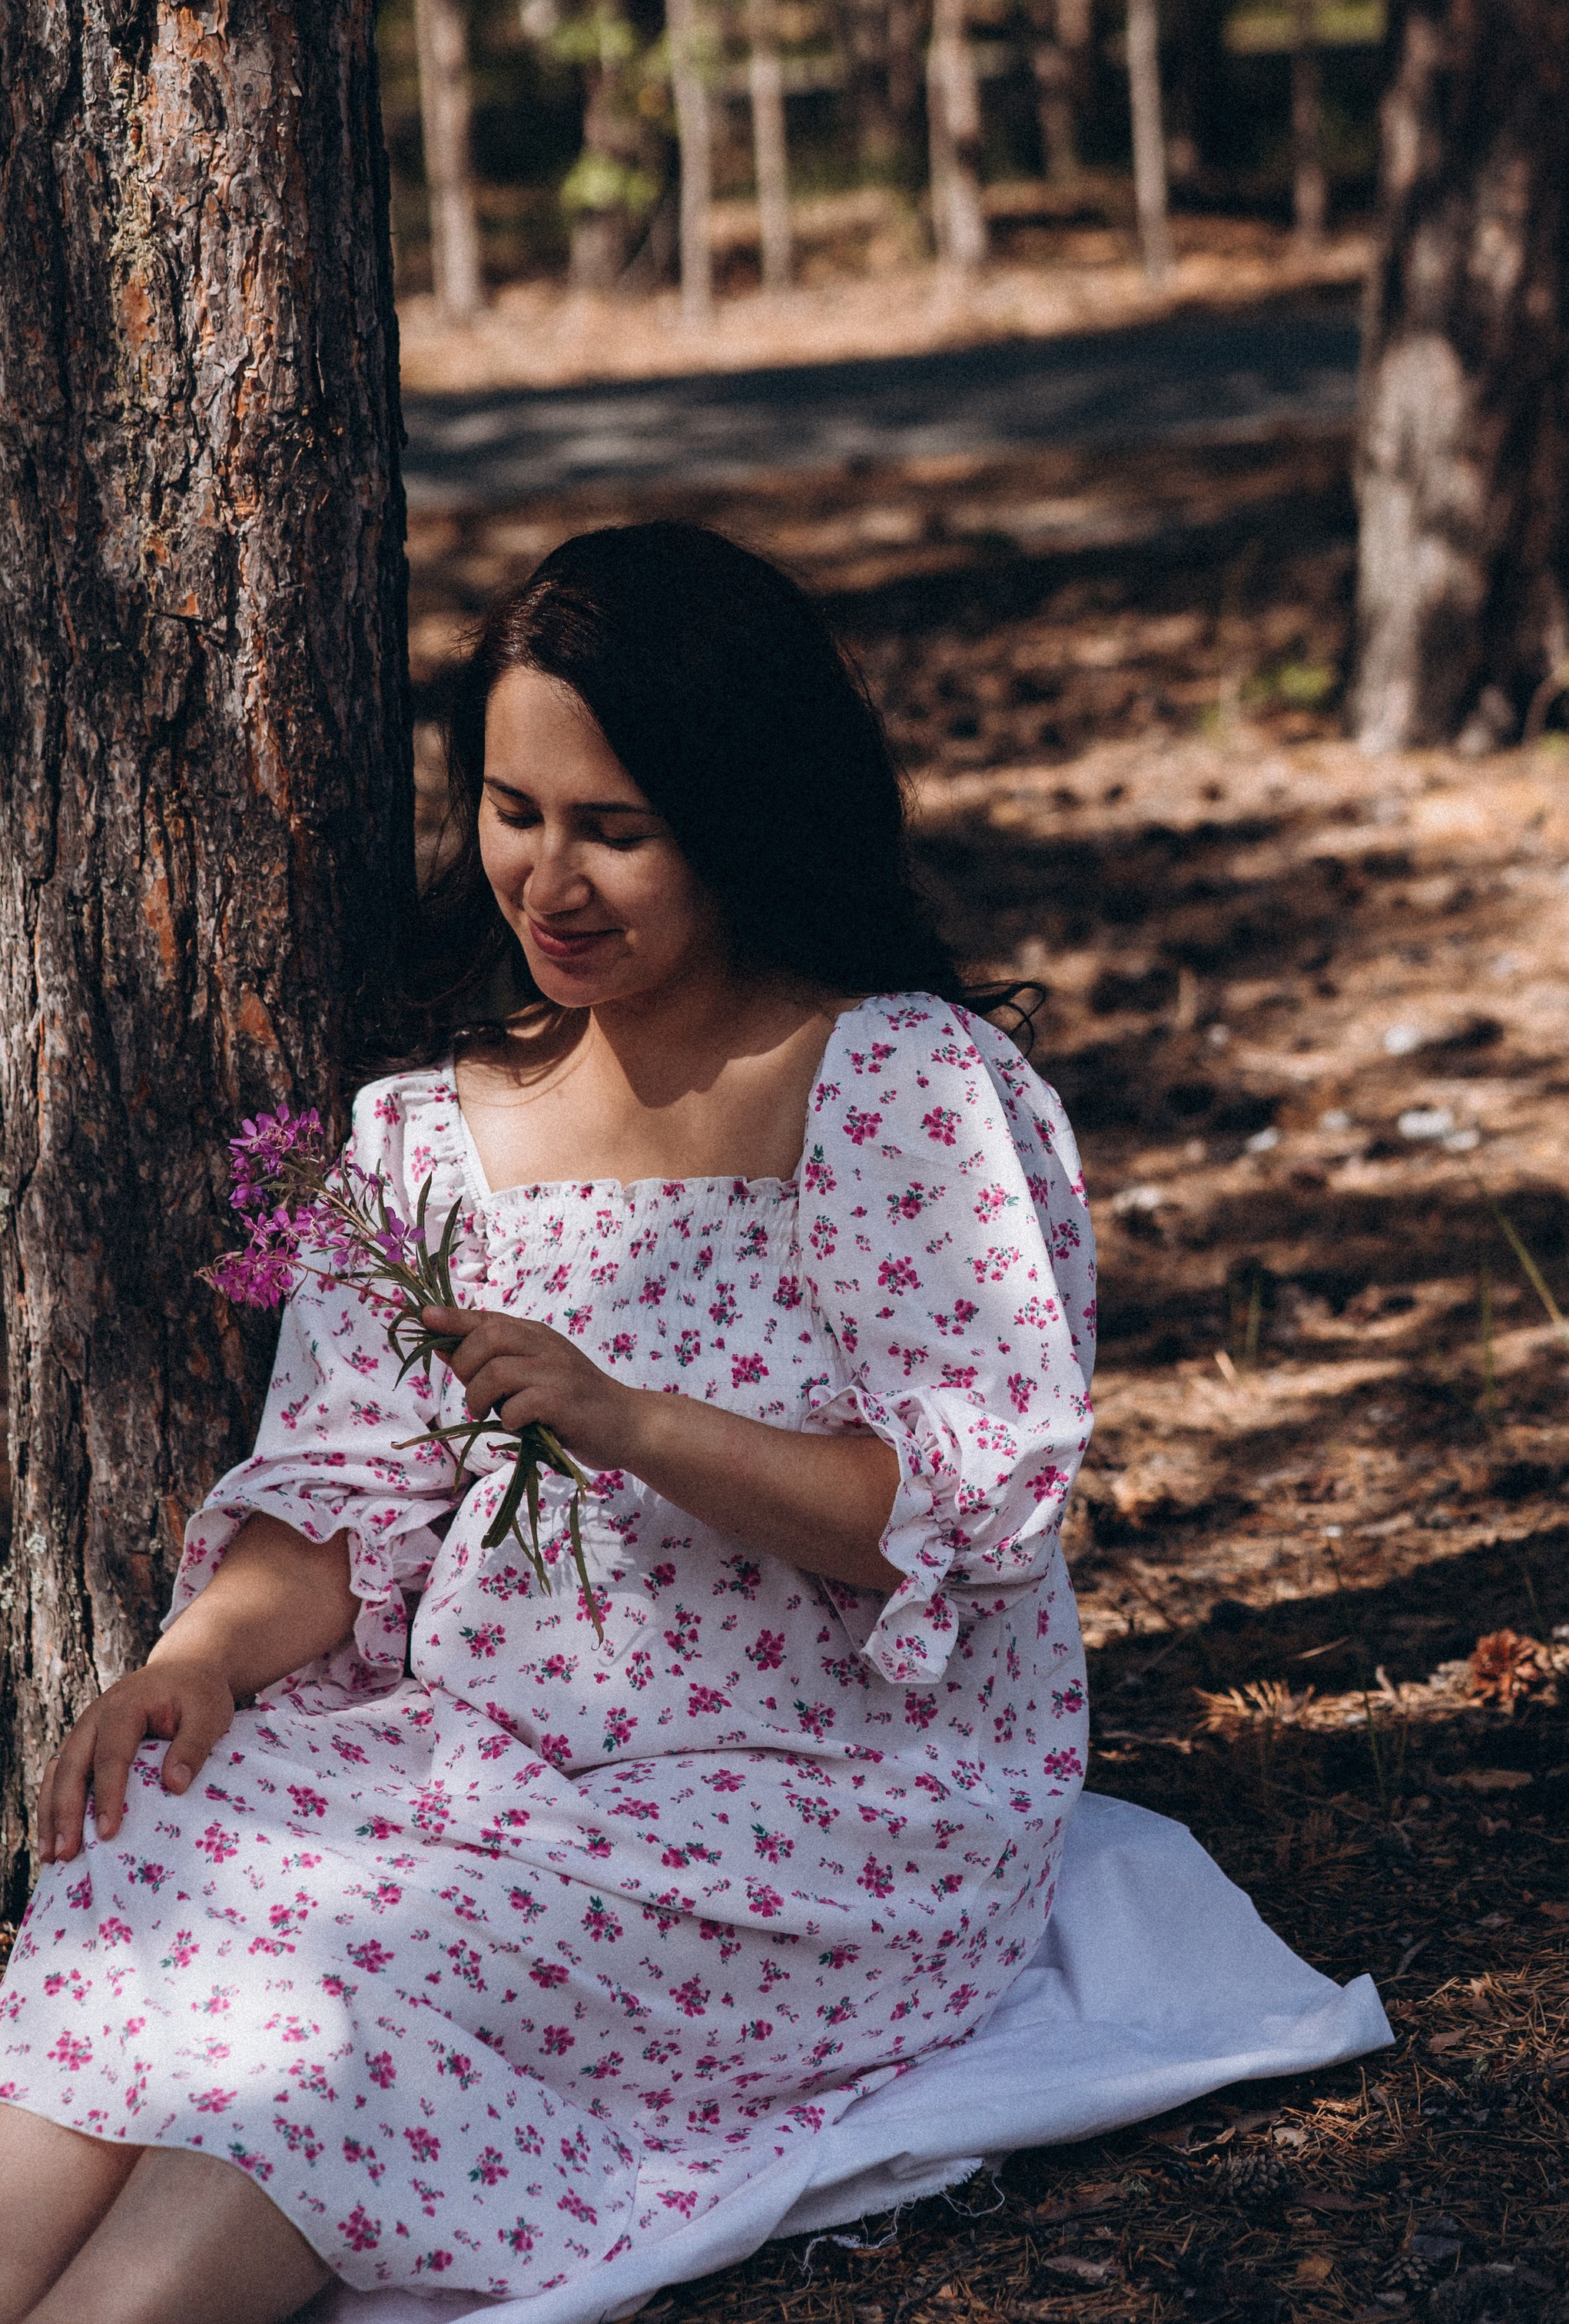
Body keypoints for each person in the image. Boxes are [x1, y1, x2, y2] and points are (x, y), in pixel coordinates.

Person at [0, 523, 1095, 2324]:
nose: (549, 879)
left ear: (740, 818)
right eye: (514, 812)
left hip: (820, 1807)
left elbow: (954, 1516)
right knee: (170, 1883)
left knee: (363, 1978)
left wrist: (627, 1418)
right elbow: (344, 1507)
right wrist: (198, 1655)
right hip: (483, 1758)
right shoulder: (427, 1134)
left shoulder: (899, 1085)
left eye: (615, 828)